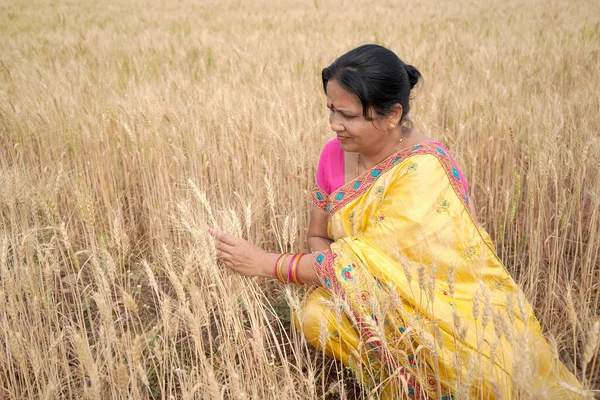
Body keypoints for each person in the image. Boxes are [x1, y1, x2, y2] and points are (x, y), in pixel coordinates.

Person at [210, 44, 582, 399]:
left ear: (392, 115)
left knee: (493, 378)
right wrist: (351, 285)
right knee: (316, 316)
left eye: (349, 116)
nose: (334, 125)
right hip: (366, 291)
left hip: (443, 299)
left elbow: (423, 264)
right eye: (331, 110)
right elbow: (317, 234)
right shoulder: (332, 157)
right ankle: (395, 386)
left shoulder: (424, 168)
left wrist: (267, 264)